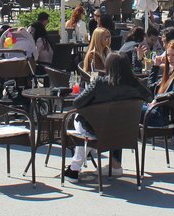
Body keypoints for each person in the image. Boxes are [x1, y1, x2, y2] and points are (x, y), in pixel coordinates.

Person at [63, 52, 152, 180]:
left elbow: (77, 103)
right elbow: (149, 97)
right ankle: (115, 165)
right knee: (114, 120)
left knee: (78, 118)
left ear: (108, 66)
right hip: (124, 130)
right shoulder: (135, 84)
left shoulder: (99, 83)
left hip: (96, 129)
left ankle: (75, 168)